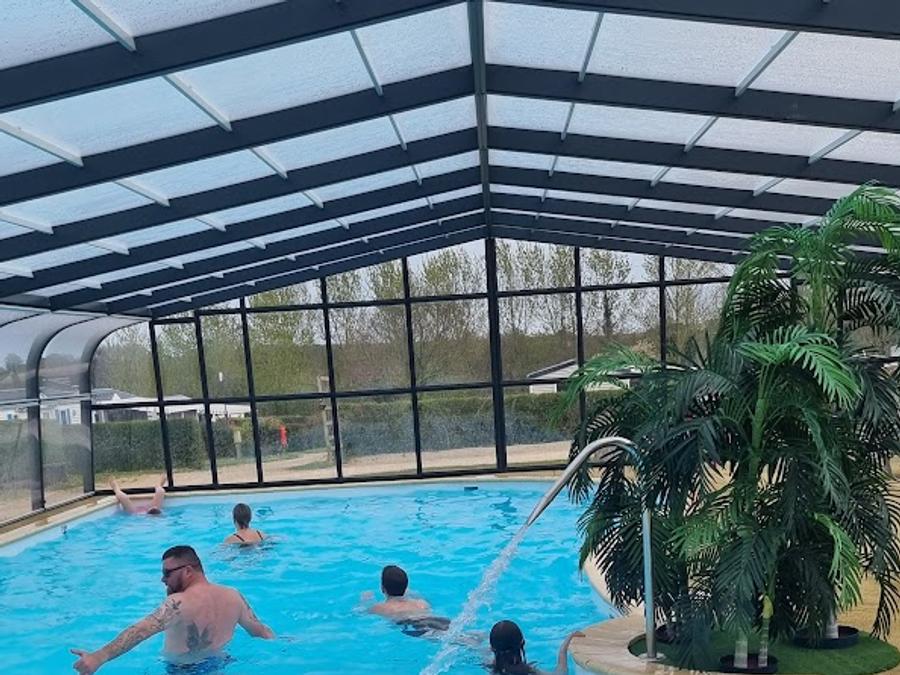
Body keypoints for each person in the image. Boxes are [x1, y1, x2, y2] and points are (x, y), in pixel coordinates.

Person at [71, 545, 274, 674]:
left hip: (182, 671)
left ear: (188, 571)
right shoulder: (233, 595)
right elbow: (263, 633)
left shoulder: (178, 602)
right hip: (221, 665)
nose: (163, 579)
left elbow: (140, 631)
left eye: (167, 573)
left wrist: (99, 657)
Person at [361, 565, 450, 637]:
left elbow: (362, 611)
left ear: (382, 588)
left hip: (414, 626)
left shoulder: (381, 608)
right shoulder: (421, 603)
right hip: (438, 621)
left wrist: (366, 599)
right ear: (406, 587)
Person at [488, 620, 584, 675]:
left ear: (492, 648)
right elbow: (561, 673)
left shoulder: (491, 667)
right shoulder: (529, 671)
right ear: (522, 643)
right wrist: (564, 646)